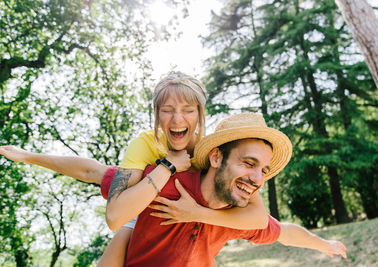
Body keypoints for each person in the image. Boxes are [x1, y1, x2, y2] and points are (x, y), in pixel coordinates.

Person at [0, 72, 269, 265]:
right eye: (167, 110)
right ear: (156, 115)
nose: (177, 119)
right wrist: (167, 166)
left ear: (199, 115)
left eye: (188, 110)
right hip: (138, 206)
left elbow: (258, 216)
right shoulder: (145, 145)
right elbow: (98, 182)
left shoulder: (211, 154)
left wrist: (195, 213)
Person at [103, 113, 347, 266]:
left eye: (263, 170)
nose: (257, 179)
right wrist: (61, 163)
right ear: (217, 157)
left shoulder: (237, 217)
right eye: (249, 163)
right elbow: (97, 173)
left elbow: (283, 231)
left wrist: (322, 244)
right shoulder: (163, 182)